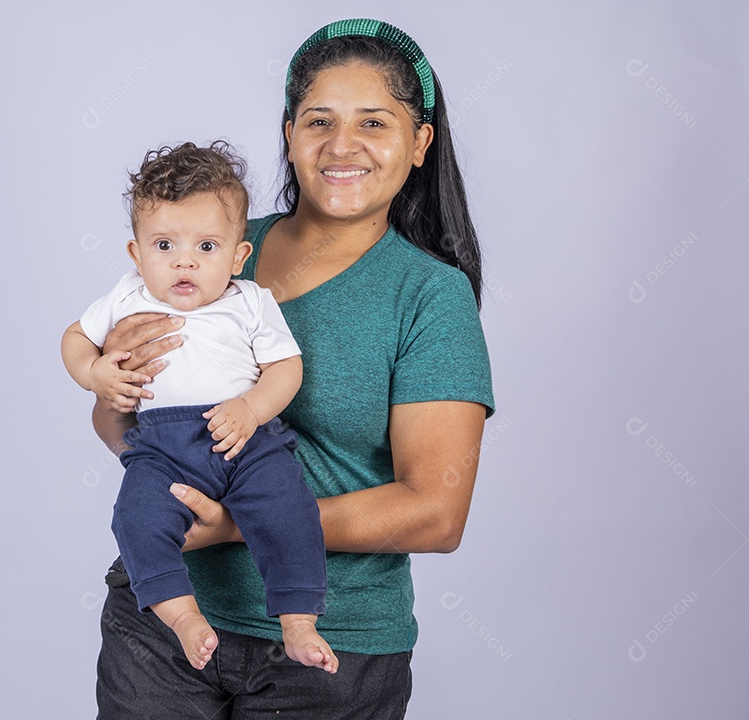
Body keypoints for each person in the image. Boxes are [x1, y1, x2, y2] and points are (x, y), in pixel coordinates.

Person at [88, 18, 495, 719]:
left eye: (374, 122)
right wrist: (114, 388)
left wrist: (236, 522)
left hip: (333, 651)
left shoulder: (429, 295)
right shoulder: (211, 247)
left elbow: (436, 512)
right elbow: (120, 414)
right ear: (288, 133)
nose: (343, 146)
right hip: (162, 625)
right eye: (319, 121)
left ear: (420, 141)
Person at [61, 142, 338, 673]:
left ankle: (299, 620)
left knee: (289, 508)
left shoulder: (251, 302)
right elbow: (75, 337)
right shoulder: (127, 296)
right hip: (162, 448)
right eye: (165, 244)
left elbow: (286, 368)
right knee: (135, 518)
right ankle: (184, 615)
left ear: (238, 256)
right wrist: (95, 374)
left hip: (245, 438)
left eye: (207, 246)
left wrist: (253, 408)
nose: (184, 260)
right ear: (136, 254)